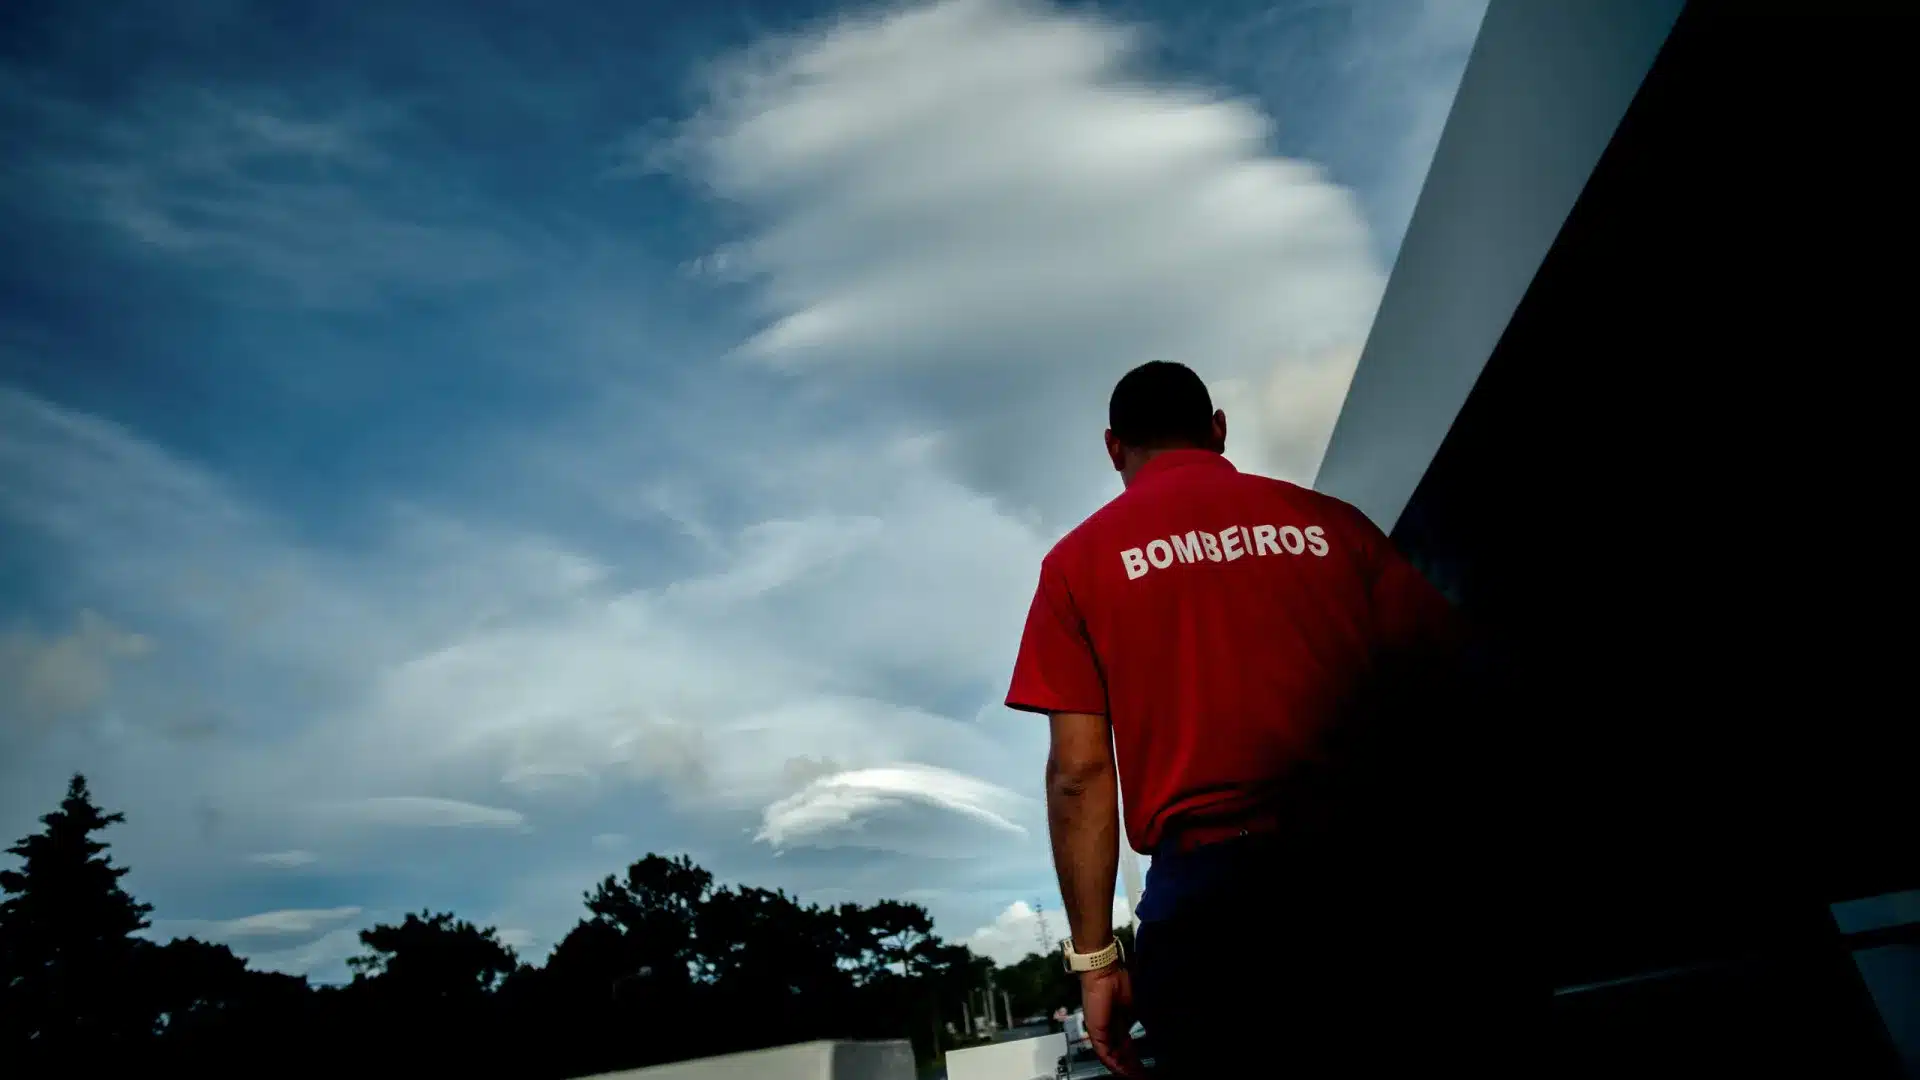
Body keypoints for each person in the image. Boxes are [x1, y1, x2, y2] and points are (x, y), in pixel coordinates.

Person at [1006, 361, 1507, 1078]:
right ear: (1217, 430)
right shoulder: (1333, 525)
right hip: (1374, 882)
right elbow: (1452, 693)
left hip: (1210, 912)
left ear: (1114, 448)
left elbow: (1079, 773)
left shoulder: (1075, 565)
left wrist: (1097, 962)